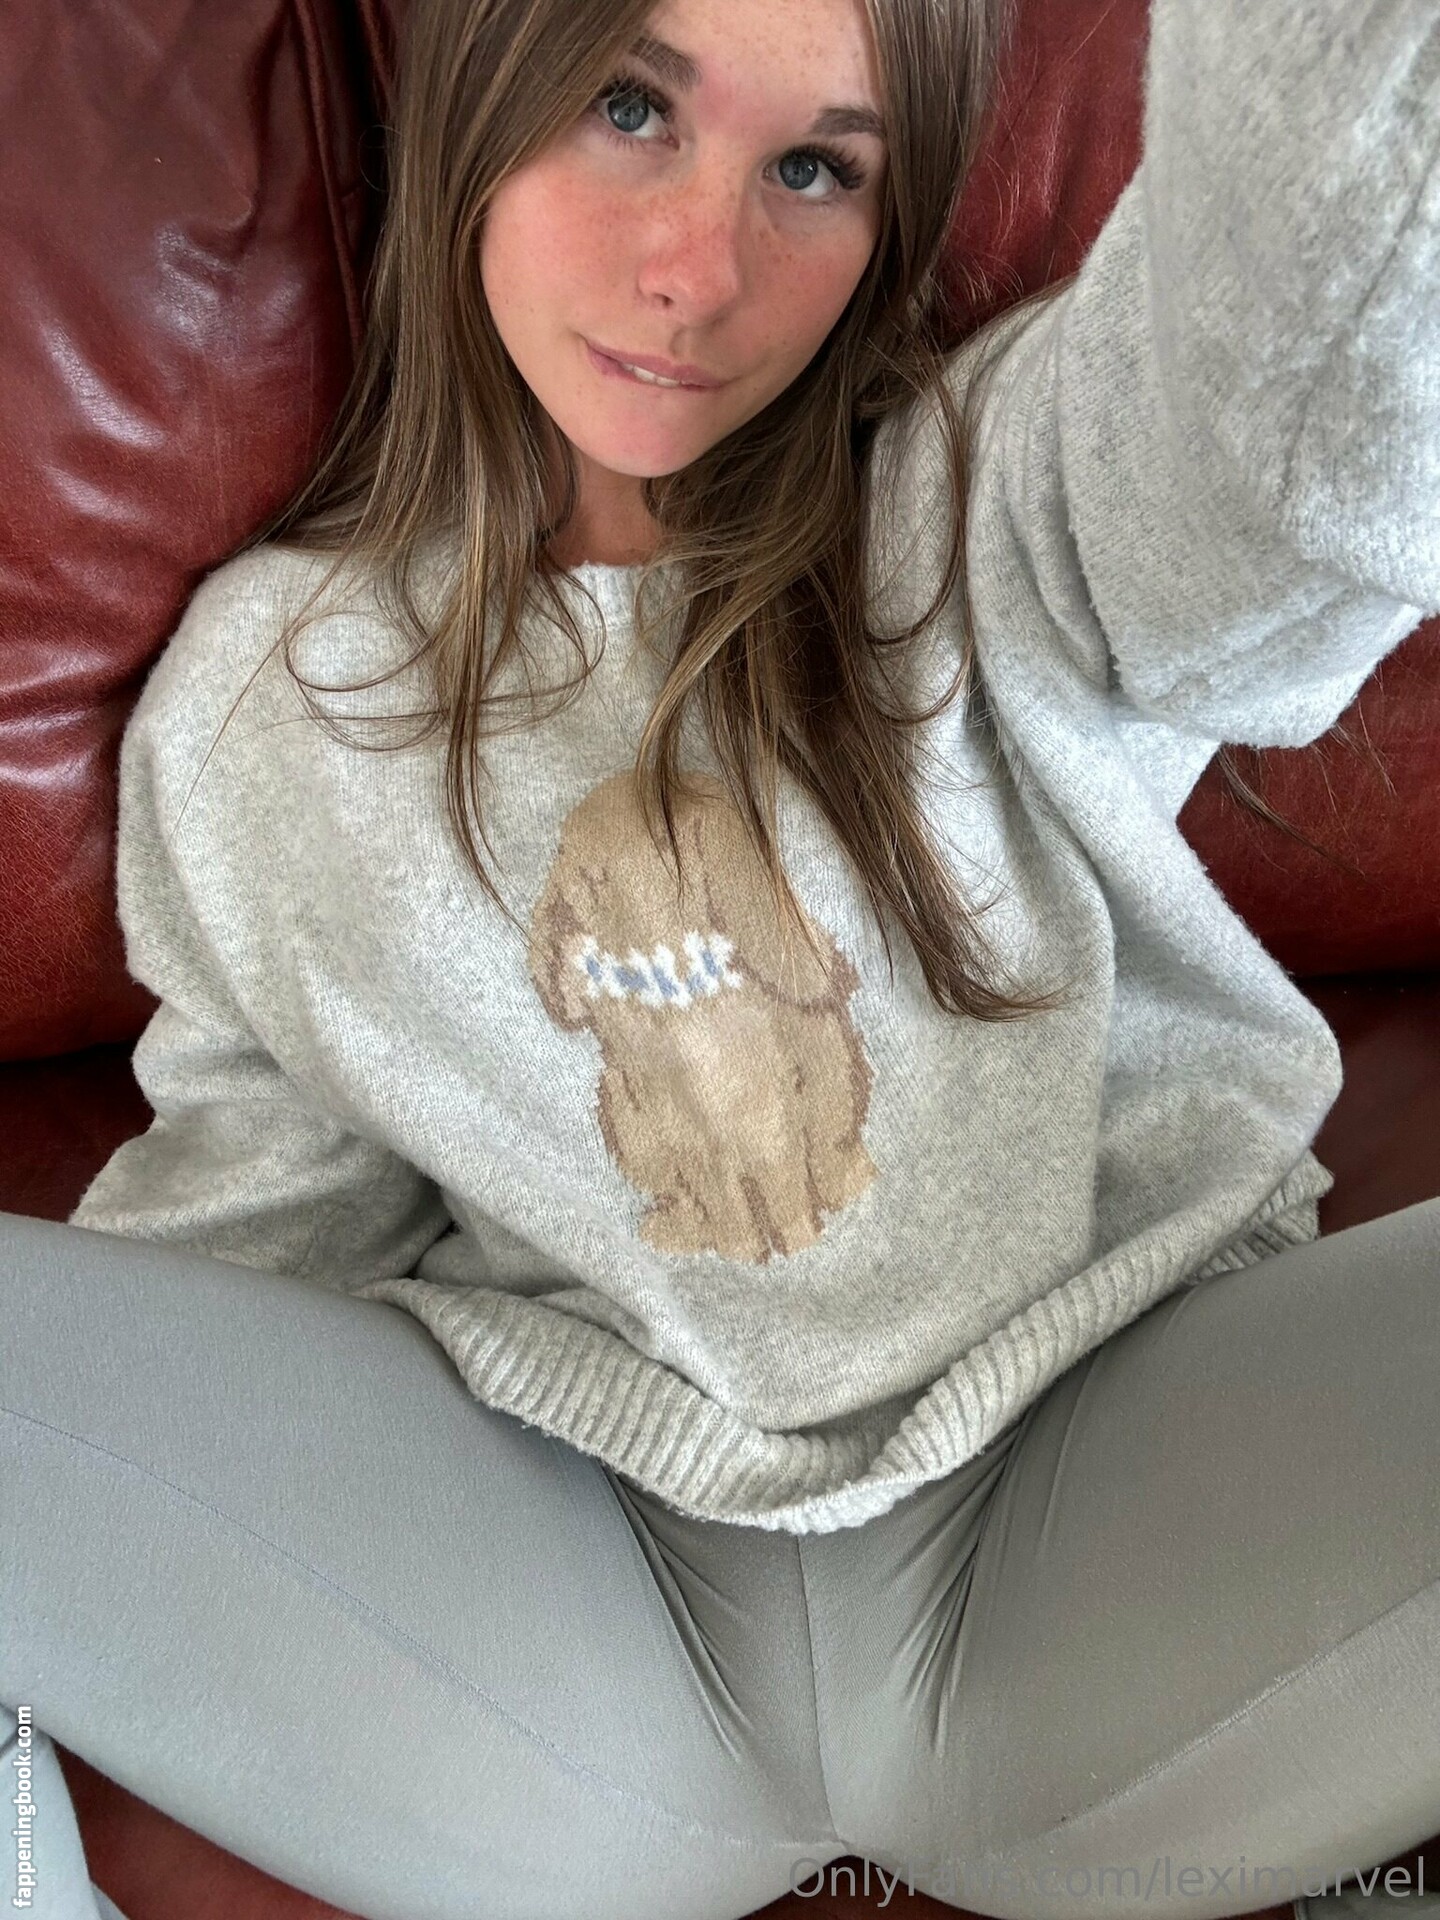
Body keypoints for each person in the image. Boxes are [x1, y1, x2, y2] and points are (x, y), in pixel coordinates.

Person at [3, 0, 1437, 1914]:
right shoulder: (261, 704)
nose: (700, 269)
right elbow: (249, 1229)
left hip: (1123, 1503)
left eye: (815, 168)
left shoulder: (992, 497)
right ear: (482, 90)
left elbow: (1290, 456)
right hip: (564, 1619)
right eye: (630, 107)